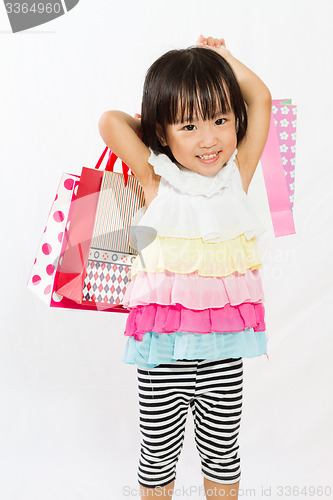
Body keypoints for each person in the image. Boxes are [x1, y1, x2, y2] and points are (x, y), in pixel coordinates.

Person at [99, 34, 272, 500]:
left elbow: (260, 97)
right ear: (161, 133)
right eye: (189, 126)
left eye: (220, 120)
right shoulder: (157, 178)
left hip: (222, 355)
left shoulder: (238, 177)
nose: (210, 138)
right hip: (161, 356)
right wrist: (157, 120)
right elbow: (111, 122)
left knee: (223, 452)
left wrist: (226, 60)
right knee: (157, 455)